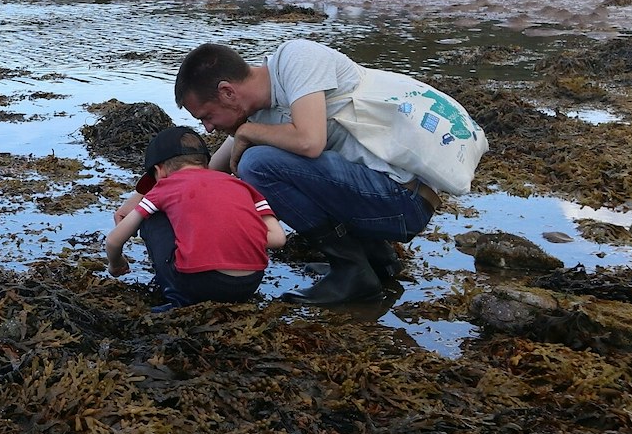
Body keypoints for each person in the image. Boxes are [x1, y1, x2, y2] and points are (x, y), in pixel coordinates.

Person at [173, 39, 443, 305]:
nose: (207, 128)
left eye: (207, 116)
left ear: (227, 92)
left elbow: (310, 142)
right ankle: (377, 260)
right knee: (261, 160)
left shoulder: (297, 58)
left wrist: (247, 133)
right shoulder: (262, 113)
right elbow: (207, 174)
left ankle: (351, 268)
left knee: (256, 164)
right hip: (385, 199)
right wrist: (148, 201)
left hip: (405, 199)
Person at [104, 125, 287, 308]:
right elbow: (278, 239)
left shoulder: (164, 187)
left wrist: (116, 263)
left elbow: (113, 241)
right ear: (206, 165)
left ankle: (176, 297)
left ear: (159, 172)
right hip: (249, 283)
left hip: (200, 285)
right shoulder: (242, 186)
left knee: (151, 217)